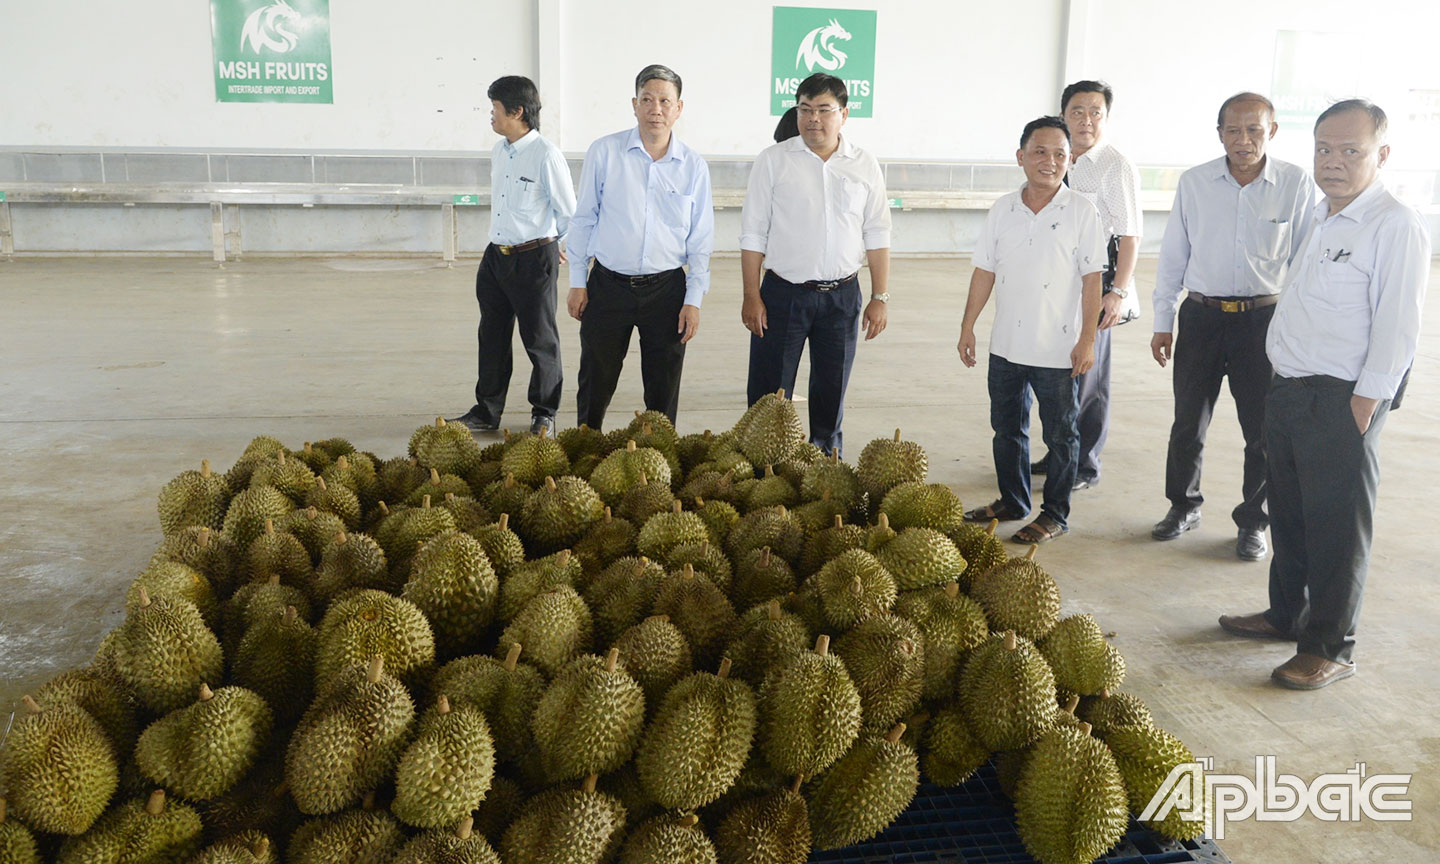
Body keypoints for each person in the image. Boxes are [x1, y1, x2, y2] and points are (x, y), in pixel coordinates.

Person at [1220, 99, 1431, 690]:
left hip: (1342, 398)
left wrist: (1368, 400)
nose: (1333, 161)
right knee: (1289, 515)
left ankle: (1331, 648)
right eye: (1323, 149)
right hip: (1289, 389)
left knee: (1336, 527)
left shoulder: (1394, 224)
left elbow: (1398, 324)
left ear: (1381, 155)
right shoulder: (1321, 214)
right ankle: (1287, 614)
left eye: (1350, 151)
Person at [1150, 93, 1315, 560]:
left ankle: (1254, 522)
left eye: (1254, 130)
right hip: (1201, 317)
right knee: (1188, 421)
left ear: (1272, 131)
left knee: (1262, 431)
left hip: (1263, 321)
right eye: (1234, 130)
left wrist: (1298, 330)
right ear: (1219, 133)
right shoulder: (1195, 183)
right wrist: (1163, 321)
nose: (1244, 140)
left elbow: (1303, 262)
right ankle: (1183, 506)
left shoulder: (1295, 184)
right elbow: (1174, 255)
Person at [958, 116, 1105, 544]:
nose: (1050, 161)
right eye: (1040, 152)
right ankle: (1013, 501)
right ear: (1021, 156)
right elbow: (984, 271)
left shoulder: (1081, 211)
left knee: (1061, 436)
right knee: (1006, 430)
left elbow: (1092, 280)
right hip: (1005, 345)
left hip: (1058, 349)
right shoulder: (1003, 209)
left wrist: (1087, 339)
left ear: (1071, 160)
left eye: (1060, 154)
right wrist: (968, 327)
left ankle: (1055, 514)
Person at [739, 73, 892, 456]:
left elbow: (877, 232)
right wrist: (751, 295)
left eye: (824, 110)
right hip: (782, 296)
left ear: (844, 114)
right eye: (805, 109)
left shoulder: (863, 164)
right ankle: (763, 470)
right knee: (768, 399)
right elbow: (753, 234)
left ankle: (825, 467)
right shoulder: (773, 161)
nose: (813, 119)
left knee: (830, 394)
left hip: (842, 297)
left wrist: (880, 296)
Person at [566, 64, 715, 429]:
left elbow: (700, 240)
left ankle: (660, 452)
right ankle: (586, 443)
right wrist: (577, 281)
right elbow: (583, 218)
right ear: (634, 105)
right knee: (595, 379)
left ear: (679, 108)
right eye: (647, 100)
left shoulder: (693, 166)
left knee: (663, 387)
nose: (656, 109)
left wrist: (693, 300)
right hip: (608, 286)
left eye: (665, 101)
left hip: (667, 291)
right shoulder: (605, 152)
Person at [450, 75, 576, 436]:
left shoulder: (546, 155)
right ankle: (487, 410)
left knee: (539, 339)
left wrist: (557, 245)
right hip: (495, 258)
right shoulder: (499, 151)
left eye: (495, 108)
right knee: (491, 336)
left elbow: (570, 211)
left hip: (532, 259)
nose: (491, 115)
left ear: (517, 111)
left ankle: (544, 412)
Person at [1031, 80, 1142, 489]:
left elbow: (1130, 235)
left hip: (1098, 285)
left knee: (1089, 380)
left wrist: (1118, 293)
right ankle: (1060, 452)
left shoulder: (1115, 165)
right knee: (1058, 376)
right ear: (1064, 114)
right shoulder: (1057, 158)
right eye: (1078, 111)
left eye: (1096, 112)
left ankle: (1085, 464)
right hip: (1055, 285)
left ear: (1106, 118)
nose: (1086, 120)